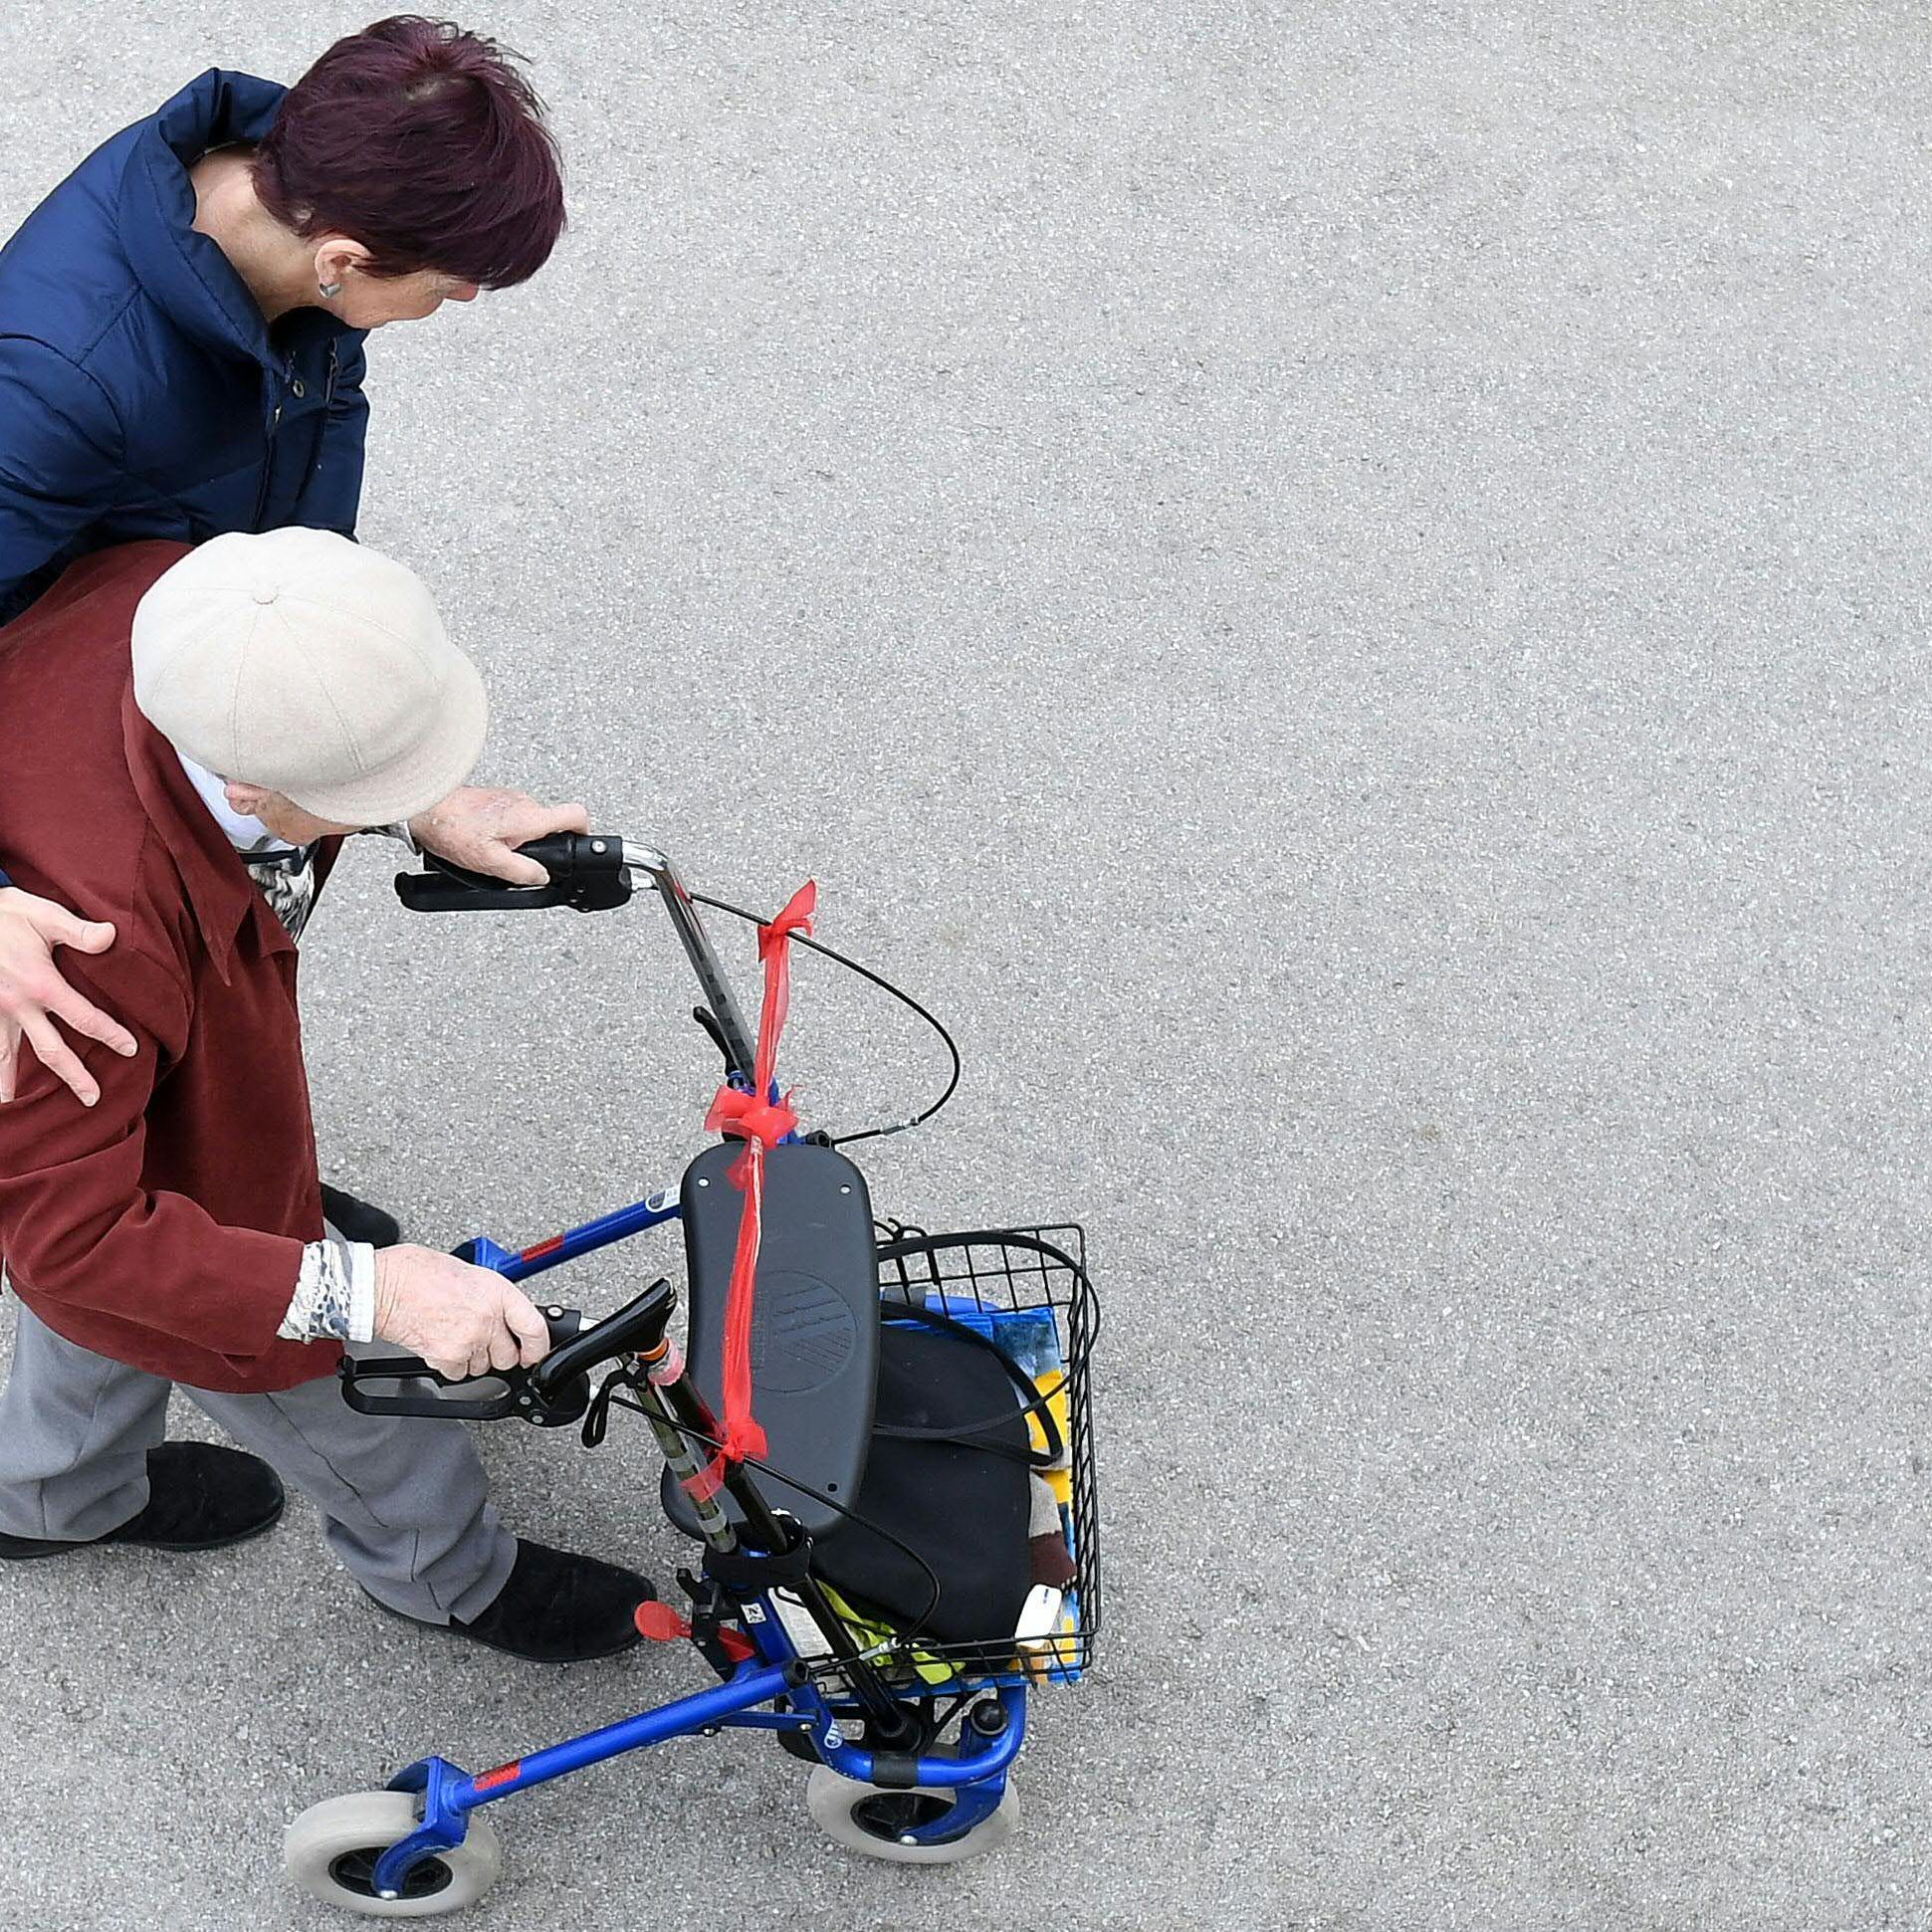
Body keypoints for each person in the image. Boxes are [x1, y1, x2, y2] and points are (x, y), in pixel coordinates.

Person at [0, 529, 653, 1662]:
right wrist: (366, 1295)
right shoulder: (91, 948)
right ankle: (449, 1580)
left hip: (91, 1115)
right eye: (366, 790)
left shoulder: (188, 608)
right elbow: (71, 1240)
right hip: (76, 1113)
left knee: (112, 1264)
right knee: (340, 1389)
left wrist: (418, 801)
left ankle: (50, 1496)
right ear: (252, 782)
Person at [0, 16, 573, 1117]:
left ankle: (244, 1204)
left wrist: (392, 776)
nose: (449, 312)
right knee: (107, 1054)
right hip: (79, 746)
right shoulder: (57, 385)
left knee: (232, 985)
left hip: (211, 690)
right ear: (344, 260)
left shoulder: (306, 189)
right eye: (448, 291)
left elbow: (295, 553)